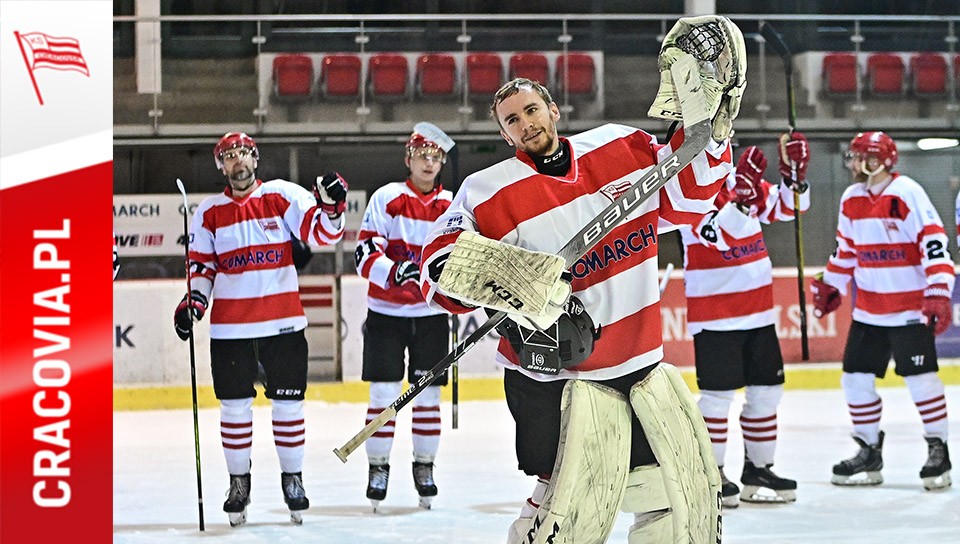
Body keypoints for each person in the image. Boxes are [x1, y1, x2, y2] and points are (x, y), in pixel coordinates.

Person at [418, 16, 747, 539]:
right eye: (511, 119)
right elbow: (437, 267)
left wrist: (708, 135)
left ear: (552, 109)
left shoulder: (621, 146)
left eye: (531, 109)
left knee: (672, 504)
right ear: (504, 135)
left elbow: (690, 200)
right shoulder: (485, 190)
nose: (525, 122)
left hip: (638, 365)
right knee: (564, 509)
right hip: (554, 379)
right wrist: (517, 284)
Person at [172, 132, 347, 525]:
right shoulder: (208, 211)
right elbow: (201, 267)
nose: (238, 162)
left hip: (283, 325)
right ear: (221, 166)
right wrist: (194, 301)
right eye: (229, 156)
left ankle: (293, 479)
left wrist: (333, 208)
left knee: (288, 406)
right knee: (234, 408)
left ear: (255, 158)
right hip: (231, 330)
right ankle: (238, 482)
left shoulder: (282, 195)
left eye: (243, 154)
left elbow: (322, 233)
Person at [813, 131, 953, 491]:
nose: (861, 165)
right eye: (857, 157)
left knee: (921, 380)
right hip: (870, 311)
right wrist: (832, 284)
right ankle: (869, 449)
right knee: (855, 380)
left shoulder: (907, 192)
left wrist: (938, 292)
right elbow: (846, 251)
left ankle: (938, 449)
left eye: (869, 158)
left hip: (909, 309)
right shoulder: (851, 198)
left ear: (887, 161)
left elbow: (934, 243)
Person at [679, 138, 810, 508]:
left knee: (767, 393)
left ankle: (759, 468)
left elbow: (790, 207)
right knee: (718, 399)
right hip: (716, 317)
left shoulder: (740, 180)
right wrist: (741, 197)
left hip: (760, 312)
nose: (722, 154)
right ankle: (712, 474)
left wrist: (794, 178)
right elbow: (721, 235)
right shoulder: (688, 197)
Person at [354, 123, 455, 511]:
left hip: (431, 315)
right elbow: (364, 253)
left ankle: (424, 467)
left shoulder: (452, 204)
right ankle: (378, 466)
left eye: (436, 157)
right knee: (381, 395)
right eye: (422, 156)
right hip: (386, 314)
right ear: (408, 159)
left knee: (428, 396)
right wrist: (397, 271)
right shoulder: (388, 197)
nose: (429, 164)